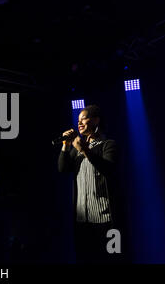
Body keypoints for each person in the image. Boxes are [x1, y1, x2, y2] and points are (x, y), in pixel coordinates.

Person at [58, 105, 123, 263]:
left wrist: (85, 150)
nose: (79, 123)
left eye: (84, 119)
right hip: (83, 221)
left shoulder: (108, 144)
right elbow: (62, 168)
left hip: (106, 219)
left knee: (111, 259)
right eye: (78, 120)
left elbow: (108, 168)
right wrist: (66, 145)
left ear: (96, 120)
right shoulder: (76, 149)